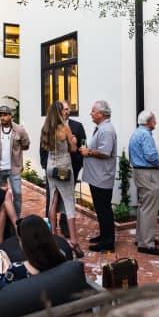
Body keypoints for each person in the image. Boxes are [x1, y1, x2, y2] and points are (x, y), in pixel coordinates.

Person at [41, 101, 83, 258]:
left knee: (53, 200)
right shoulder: (65, 127)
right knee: (69, 203)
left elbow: (45, 148)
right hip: (64, 169)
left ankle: (53, 235)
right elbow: (73, 149)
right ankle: (74, 241)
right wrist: (73, 140)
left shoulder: (46, 128)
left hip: (51, 168)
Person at [81, 100, 117, 252]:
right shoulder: (102, 128)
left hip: (102, 177)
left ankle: (108, 243)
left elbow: (105, 152)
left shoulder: (106, 130)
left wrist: (88, 151)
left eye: (93, 111)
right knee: (101, 209)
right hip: (98, 177)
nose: (91, 113)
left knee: (104, 210)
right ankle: (104, 236)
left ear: (101, 114)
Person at [129, 110, 159, 255]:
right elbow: (151, 157)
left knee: (143, 207)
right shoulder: (145, 135)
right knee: (149, 208)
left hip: (140, 172)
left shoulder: (137, 132)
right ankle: (146, 244)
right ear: (149, 121)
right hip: (148, 173)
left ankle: (141, 238)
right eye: (154, 119)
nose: (156, 122)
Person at [0, 215, 67, 281]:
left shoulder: (16, 271)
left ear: (24, 243)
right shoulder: (62, 255)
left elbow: (2, 284)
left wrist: (6, 263)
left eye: (19, 240)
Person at [0, 105, 30, 219]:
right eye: (0, 115)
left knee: (17, 193)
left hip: (14, 168)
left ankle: (17, 218)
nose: (2, 117)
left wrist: (17, 151)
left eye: (4, 115)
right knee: (0, 195)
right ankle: (0, 217)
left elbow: (26, 144)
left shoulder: (19, 129)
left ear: (10, 116)